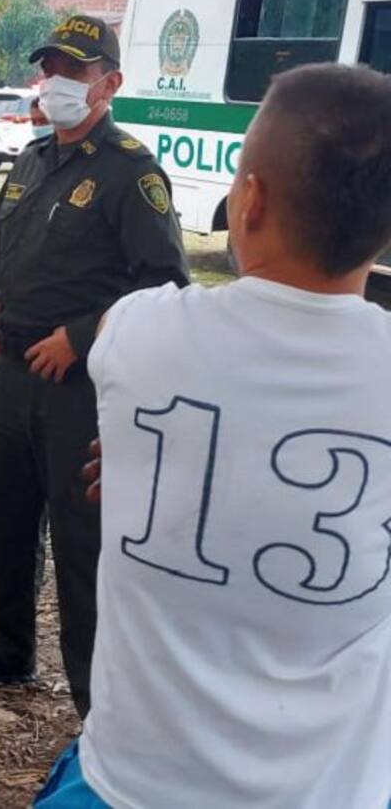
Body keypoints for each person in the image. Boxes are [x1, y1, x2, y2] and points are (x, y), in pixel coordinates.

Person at [36, 61, 391, 808]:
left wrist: (164, 464)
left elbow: (122, 338)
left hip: (127, 784)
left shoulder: (140, 332)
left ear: (250, 199)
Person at [0, 15, 190, 717]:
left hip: (82, 388)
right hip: (14, 377)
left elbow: (166, 286)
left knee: (84, 551)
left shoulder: (131, 172)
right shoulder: (32, 156)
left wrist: (79, 338)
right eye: (51, 68)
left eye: (74, 72)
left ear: (109, 83)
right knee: (6, 524)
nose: (57, 83)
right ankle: (8, 650)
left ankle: (96, 704)